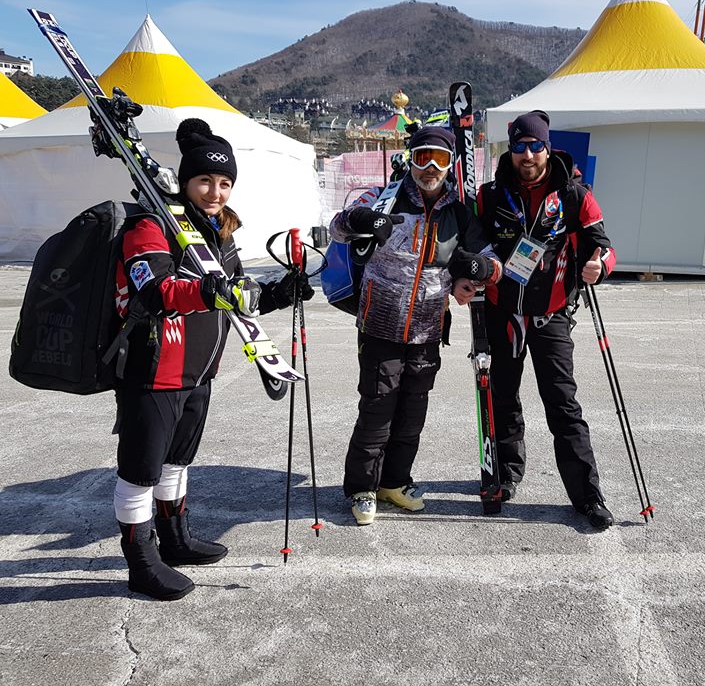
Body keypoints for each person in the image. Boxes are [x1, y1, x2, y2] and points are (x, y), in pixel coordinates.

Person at [113, 118, 313, 600]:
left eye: (224, 183)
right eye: (205, 180)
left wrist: (278, 293)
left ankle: (174, 538)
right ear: (185, 181)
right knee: (140, 471)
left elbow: (237, 296)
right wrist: (209, 291)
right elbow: (154, 289)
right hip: (153, 369)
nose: (215, 192)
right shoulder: (150, 225)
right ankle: (141, 561)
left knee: (176, 462)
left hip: (198, 370)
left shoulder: (218, 234)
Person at [329, 126, 501, 526]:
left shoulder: (458, 211)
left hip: (427, 329)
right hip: (380, 323)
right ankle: (362, 488)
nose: (430, 168)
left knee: (412, 413)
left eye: (440, 160)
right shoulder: (386, 198)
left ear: (451, 164)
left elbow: (493, 261)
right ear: (411, 160)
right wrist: (360, 218)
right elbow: (338, 226)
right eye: (423, 157)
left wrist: (478, 271)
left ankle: (394, 481)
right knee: (377, 409)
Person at [476, 110, 618, 530]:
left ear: (547, 147)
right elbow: (471, 245)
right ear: (510, 150)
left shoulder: (575, 195)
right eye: (519, 147)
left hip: (551, 315)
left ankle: (587, 496)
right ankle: (506, 474)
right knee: (502, 398)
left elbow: (605, 248)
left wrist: (599, 267)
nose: (527, 155)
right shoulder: (490, 195)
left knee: (562, 404)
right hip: (503, 312)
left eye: (535, 146)